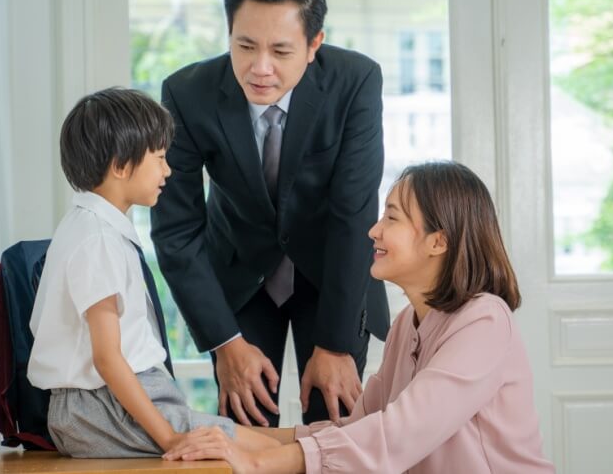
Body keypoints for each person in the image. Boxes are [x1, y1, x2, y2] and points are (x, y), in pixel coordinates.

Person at [163, 161, 556, 473]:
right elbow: (354, 429)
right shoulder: (408, 324)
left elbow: (399, 434)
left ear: (439, 241)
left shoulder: (484, 321)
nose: (373, 231)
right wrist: (230, 434)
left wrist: (259, 463)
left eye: (392, 218)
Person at [150, 0, 390, 429]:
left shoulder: (355, 81)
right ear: (229, 35)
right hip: (242, 279)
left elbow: (353, 215)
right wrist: (224, 343)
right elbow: (176, 230)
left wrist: (337, 343)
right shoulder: (187, 93)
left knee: (334, 431)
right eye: (245, 46)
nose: (260, 68)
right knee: (245, 430)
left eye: (281, 51)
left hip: (332, 277)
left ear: (314, 45)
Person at [27, 88, 279, 458]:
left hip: (108, 403)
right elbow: (108, 358)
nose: (168, 170)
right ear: (120, 165)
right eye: (160, 158)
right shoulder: (96, 240)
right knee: (267, 450)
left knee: (280, 444)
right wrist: (171, 439)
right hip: (99, 408)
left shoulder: (94, 228)